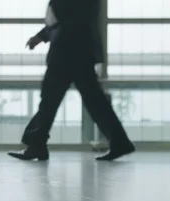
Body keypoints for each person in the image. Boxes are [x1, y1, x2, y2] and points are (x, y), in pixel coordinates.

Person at [8, 0, 134, 161]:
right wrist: (41, 36)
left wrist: (44, 35)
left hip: (67, 52)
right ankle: (119, 142)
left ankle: (36, 145)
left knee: (50, 99)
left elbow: (65, 18)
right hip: (77, 51)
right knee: (92, 100)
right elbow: (64, 19)